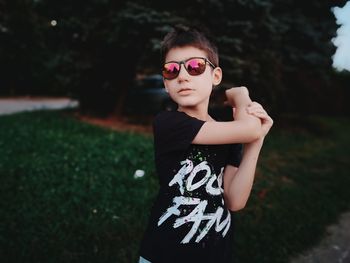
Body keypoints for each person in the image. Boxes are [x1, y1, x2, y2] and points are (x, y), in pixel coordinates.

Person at [138, 24, 273, 263]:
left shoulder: (228, 133)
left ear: (215, 76)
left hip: (215, 254)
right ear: (166, 83)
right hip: (165, 255)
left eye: (194, 66)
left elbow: (235, 200)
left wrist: (256, 141)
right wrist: (240, 94)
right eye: (171, 70)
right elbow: (249, 128)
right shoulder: (169, 123)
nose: (182, 76)